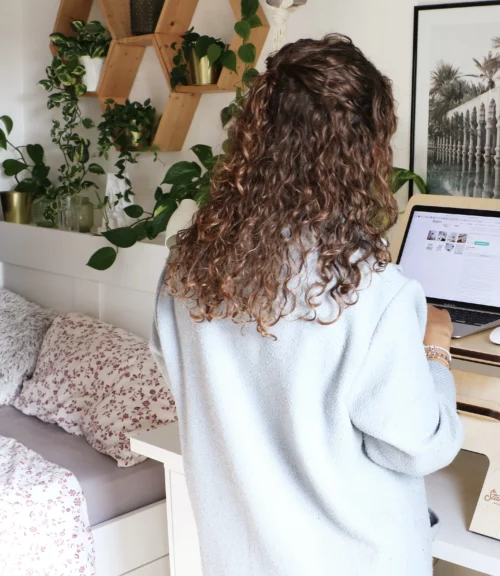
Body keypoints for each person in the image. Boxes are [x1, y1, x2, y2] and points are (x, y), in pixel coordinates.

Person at [151, 34, 464, 576]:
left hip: (242, 555)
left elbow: (185, 378)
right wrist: (436, 349)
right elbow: (415, 448)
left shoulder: (189, 267)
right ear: (364, 150)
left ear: (257, 137)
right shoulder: (371, 291)